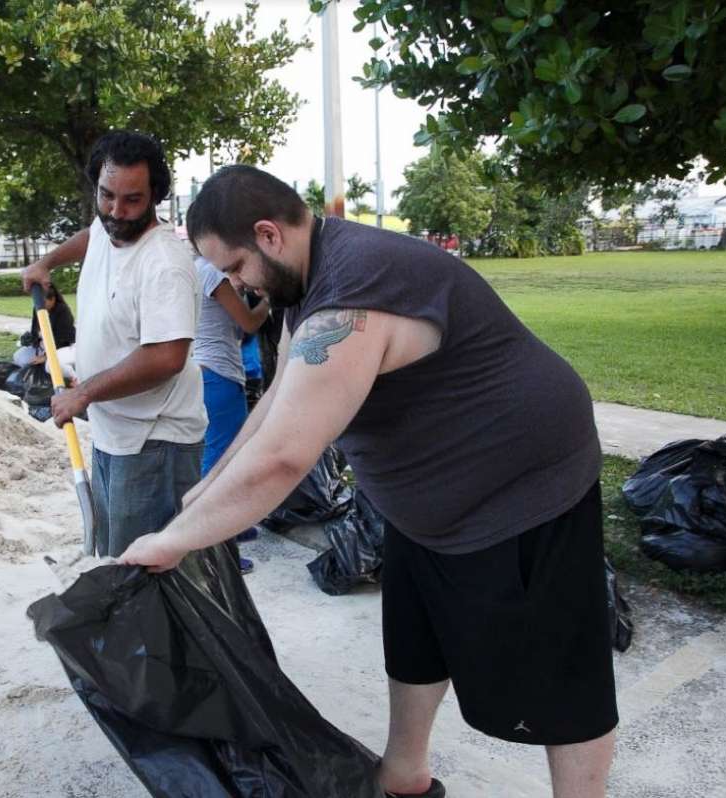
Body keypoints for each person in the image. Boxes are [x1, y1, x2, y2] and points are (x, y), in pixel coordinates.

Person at [121, 165, 616, 798]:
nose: (236, 285)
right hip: (427, 506)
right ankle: (403, 776)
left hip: (522, 487)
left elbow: (284, 457)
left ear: (269, 235)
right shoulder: (312, 274)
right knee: (417, 638)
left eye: (235, 268)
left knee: (560, 680)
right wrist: (205, 489)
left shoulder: (354, 293)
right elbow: (276, 400)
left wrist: (175, 541)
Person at [20, 130, 206, 559]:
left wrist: (82, 393)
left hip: (154, 443)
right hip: (116, 431)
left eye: (132, 200)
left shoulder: (163, 264)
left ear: (155, 196)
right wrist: (47, 262)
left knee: (138, 574)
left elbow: (166, 357)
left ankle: (143, 629)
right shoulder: (108, 226)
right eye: (106, 196)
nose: (116, 212)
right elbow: (92, 237)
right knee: (116, 560)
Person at [194, 255, 270, 573]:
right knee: (220, 462)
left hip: (205, 370)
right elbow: (248, 323)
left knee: (223, 453)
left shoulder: (196, 269)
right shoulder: (214, 274)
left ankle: (232, 527)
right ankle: (216, 549)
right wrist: (270, 299)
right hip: (219, 373)